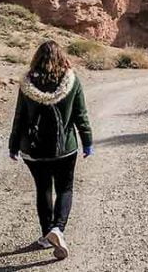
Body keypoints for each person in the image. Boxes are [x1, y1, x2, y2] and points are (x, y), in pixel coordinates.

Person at [8, 41, 93, 261]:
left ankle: (46, 235)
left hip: (34, 150)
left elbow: (20, 117)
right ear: (61, 57)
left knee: (43, 189)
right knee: (65, 188)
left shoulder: (27, 82)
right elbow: (80, 115)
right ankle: (58, 228)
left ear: (36, 58)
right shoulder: (71, 81)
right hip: (64, 149)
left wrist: (13, 145)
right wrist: (87, 141)